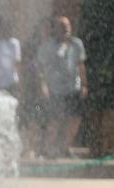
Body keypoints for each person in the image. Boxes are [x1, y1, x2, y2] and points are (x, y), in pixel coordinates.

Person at [32, 14, 89, 158]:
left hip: (73, 88)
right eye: (62, 26)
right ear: (55, 29)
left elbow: (81, 65)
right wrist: (43, 86)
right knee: (55, 119)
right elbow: (40, 69)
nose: (65, 29)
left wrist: (84, 85)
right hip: (55, 89)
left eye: (67, 26)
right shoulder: (47, 46)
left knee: (74, 119)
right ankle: (49, 148)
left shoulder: (77, 44)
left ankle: (66, 147)